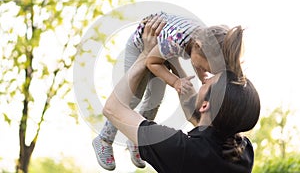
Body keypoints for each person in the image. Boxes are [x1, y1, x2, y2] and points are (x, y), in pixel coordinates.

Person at [98, 18, 261, 173]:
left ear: (205, 105)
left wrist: (146, 53)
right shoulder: (243, 153)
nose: (205, 79)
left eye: (209, 81)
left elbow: (113, 109)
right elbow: (198, 117)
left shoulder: (181, 149)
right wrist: (174, 67)